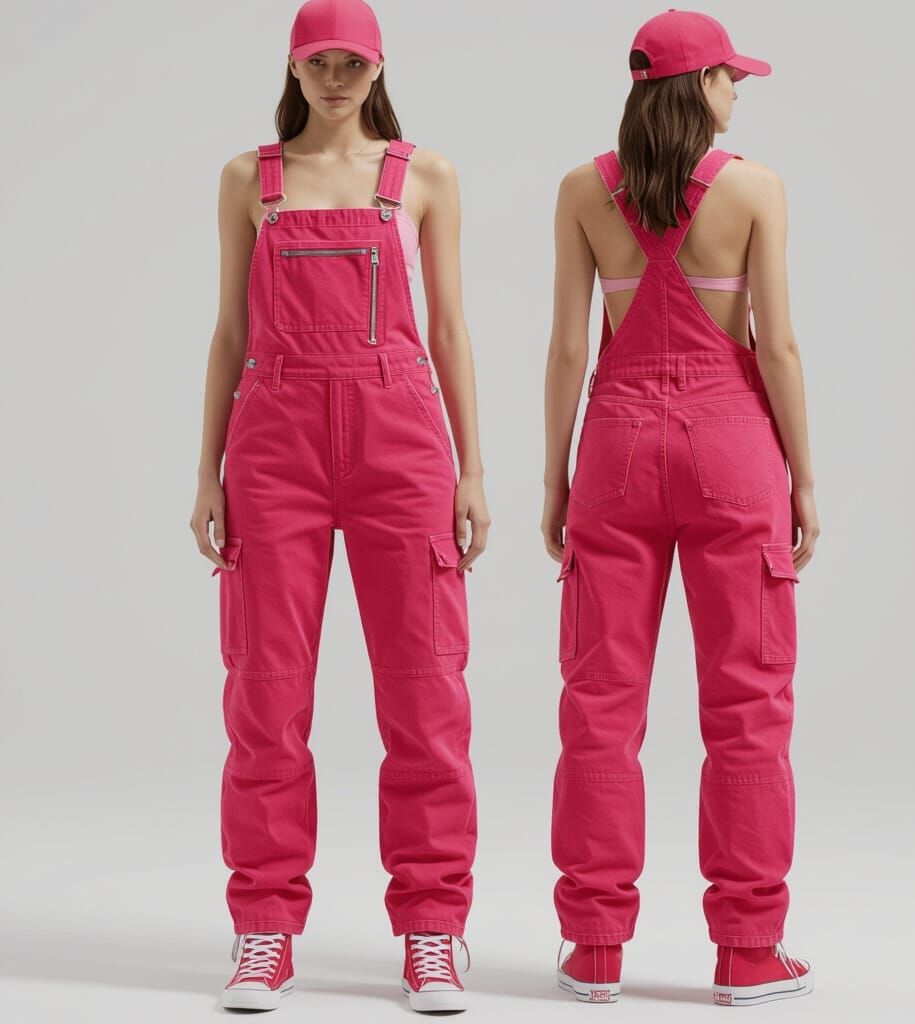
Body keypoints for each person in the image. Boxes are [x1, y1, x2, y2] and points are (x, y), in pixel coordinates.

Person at [188, 0, 489, 1013]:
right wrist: (206, 472)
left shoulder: (423, 175)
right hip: (272, 444)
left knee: (427, 693)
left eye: (351, 64)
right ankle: (264, 929)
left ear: (378, 68)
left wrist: (472, 470)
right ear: (292, 67)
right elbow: (230, 333)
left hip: (402, 440)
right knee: (264, 695)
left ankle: (433, 929)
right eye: (318, 62)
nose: (334, 80)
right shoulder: (250, 178)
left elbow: (450, 331)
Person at [542, 9, 819, 1008]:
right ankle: (747, 951)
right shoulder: (753, 188)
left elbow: (569, 349)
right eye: (731, 78)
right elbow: (775, 346)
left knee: (599, 707)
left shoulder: (583, 190)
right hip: (730, 450)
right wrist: (804, 477)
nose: (737, 92)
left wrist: (554, 479)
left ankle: (595, 947)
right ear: (700, 85)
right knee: (747, 708)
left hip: (615, 449)